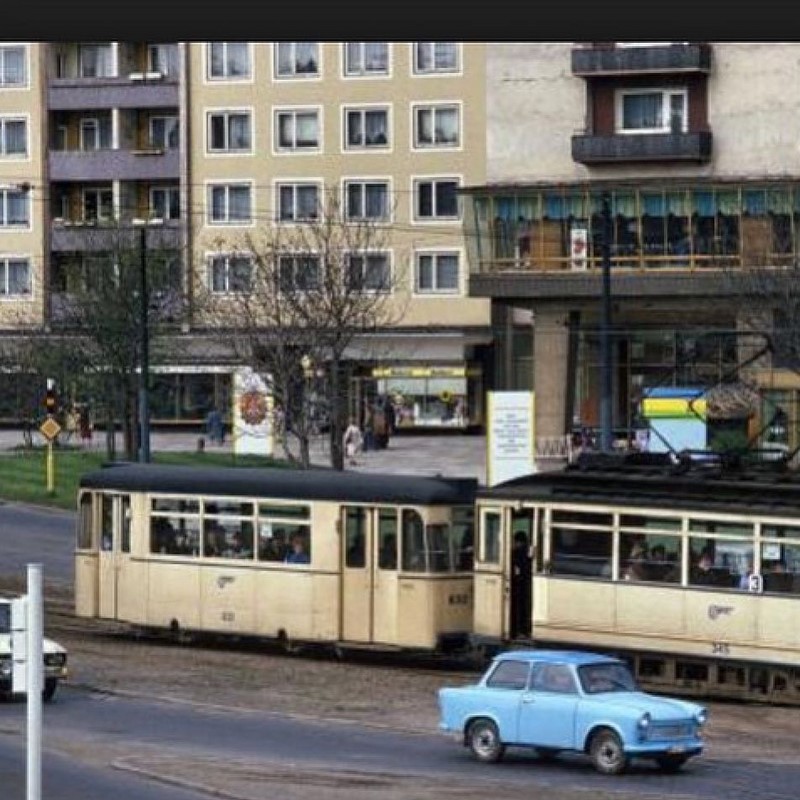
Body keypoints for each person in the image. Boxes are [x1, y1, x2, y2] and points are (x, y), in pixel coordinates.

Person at [510, 530, 532, 639]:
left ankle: (518, 630)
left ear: (518, 542)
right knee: (525, 607)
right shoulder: (528, 552)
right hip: (527, 583)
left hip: (519, 584)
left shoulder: (516, 553)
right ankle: (525, 630)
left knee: (518, 607)